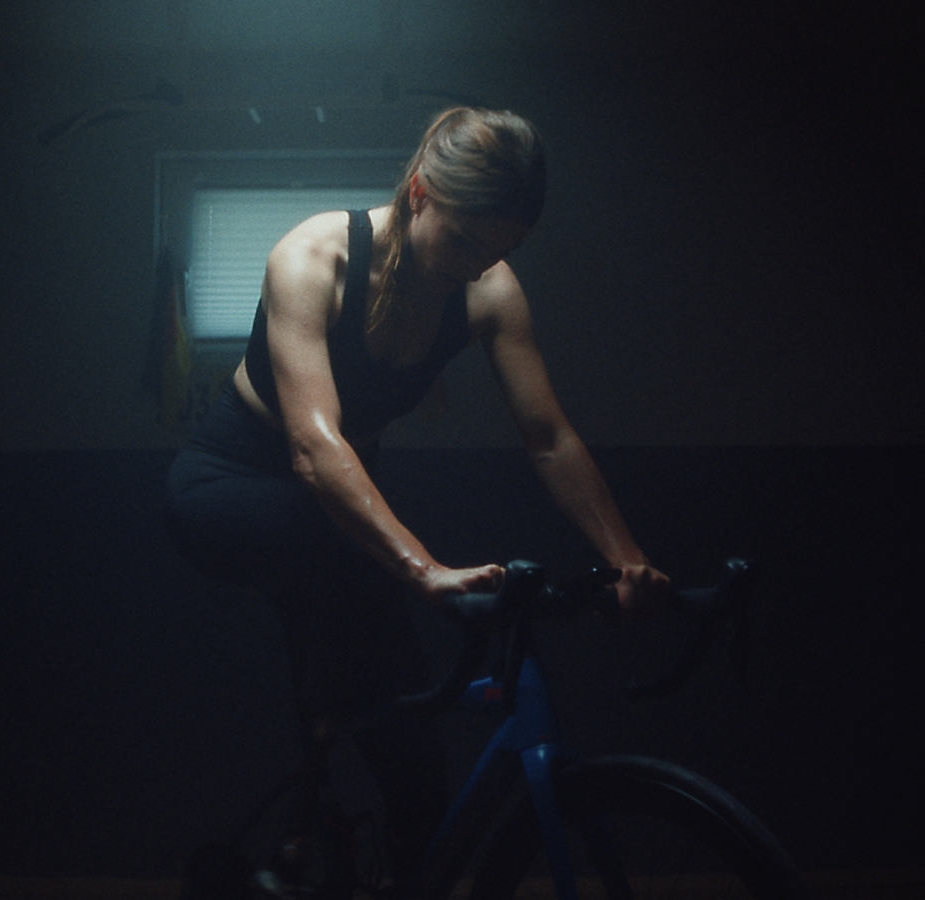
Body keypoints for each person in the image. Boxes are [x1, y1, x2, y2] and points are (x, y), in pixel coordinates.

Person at [164, 107, 671, 885]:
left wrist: (626, 557)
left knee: (413, 753)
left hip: (334, 512)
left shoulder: (488, 290)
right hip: (228, 487)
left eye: (499, 251)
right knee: (358, 568)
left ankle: (362, 833)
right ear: (419, 194)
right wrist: (423, 569)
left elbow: (548, 437)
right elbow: (314, 446)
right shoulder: (311, 257)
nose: (475, 267)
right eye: (465, 241)